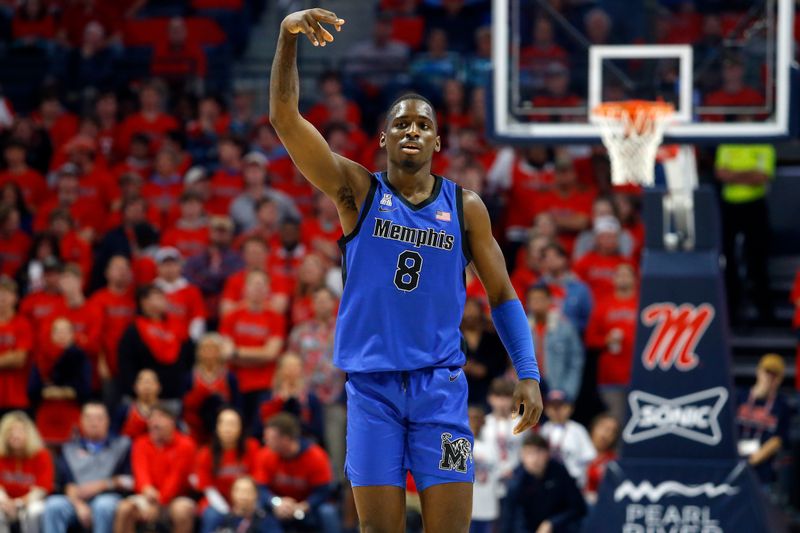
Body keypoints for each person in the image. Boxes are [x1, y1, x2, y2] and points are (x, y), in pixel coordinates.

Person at [270, 10, 542, 531]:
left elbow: (503, 294)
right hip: (371, 389)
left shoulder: (466, 208)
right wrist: (287, 36)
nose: (412, 130)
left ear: (438, 142)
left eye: (423, 125)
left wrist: (527, 372)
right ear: (384, 140)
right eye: (401, 124)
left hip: (441, 389)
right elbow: (285, 118)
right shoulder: (357, 191)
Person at [41, 403, 132, 533]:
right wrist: (78, 505)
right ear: (81, 421)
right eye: (89, 418)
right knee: (53, 505)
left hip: (108, 498)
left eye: (99, 418)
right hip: (76, 501)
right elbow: (67, 483)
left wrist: (105, 484)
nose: (94, 423)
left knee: (103, 505)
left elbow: (130, 481)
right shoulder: (69, 449)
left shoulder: (122, 445)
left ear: (107, 421)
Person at [715, 141, 775, 326]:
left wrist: (734, 175)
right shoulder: (727, 142)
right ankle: (731, 312)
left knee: (758, 259)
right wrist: (748, 174)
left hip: (755, 206)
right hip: (730, 207)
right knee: (728, 260)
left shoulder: (765, 143)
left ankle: (765, 312)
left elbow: (762, 176)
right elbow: (720, 173)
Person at [114, 404, 196, 533]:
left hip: (175, 498)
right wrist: (147, 490)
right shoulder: (140, 443)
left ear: (172, 421)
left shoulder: (186, 445)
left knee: (182, 511)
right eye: (152, 418)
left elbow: (176, 478)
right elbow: (140, 473)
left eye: (161, 417)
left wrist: (159, 502)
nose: (155, 422)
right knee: (124, 509)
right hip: (148, 496)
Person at [255, 413, 338, 533]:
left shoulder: (316, 456)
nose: (265, 441)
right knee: (258, 508)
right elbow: (260, 488)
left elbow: (324, 491)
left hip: (307, 507)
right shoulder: (265, 454)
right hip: (278, 507)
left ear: (286, 439)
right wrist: (276, 502)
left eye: (270, 438)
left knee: (328, 512)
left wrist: (305, 505)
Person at [117, 284, 191, 402]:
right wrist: (133, 390)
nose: (163, 301)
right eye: (156, 297)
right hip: (141, 398)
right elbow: (126, 364)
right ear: (143, 302)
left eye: (162, 297)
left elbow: (189, 358)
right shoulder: (133, 330)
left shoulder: (178, 327)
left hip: (174, 394)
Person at [501, 434, 586, 533]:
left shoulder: (559, 472)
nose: (535, 459)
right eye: (529, 453)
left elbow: (578, 507)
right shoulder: (516, 482)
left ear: (547, 454)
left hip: (558, 527)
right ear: (522, 456)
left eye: (539, 452)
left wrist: (551, 523)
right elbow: (510, 521)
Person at [585, 263, 638, 422]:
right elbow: (589, 339)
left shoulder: (642, 303)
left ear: (635, 279)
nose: (622, 278)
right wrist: (605, 341)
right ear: (613, 279)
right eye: (619, 275)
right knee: (616, 421)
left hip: (637, 374)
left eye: (626, 275)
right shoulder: (603, 305)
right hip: (610, 377)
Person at [195, 408, 260, 533]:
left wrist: (246, 501)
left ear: (241, 427)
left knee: (263, 515)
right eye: (224, 424)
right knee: (212, 516)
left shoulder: (252, 447)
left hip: (247, 498)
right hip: (217, 500)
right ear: (217, 427)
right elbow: (207, 487)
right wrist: (225, 509)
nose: (228, 429)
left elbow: (256, 480)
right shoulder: (206, 453)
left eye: (232, 424)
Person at [735, 353, 791, 486]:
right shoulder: (739, 397)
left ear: (780, 379)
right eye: (767, 372)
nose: (769, 378)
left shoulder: (782, 405)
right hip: (735, 462)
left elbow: (779, 439)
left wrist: (757, 457)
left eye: (775, 375)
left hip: (762, 471)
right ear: (759, 372)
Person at [526, 285, 584, 402]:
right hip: (529, 389)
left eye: (540, 299)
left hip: (558, 391)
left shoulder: (565, 328)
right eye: (533, 299)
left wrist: (567, 391)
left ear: (549, 301)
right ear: (527, 303)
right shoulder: (522, 329)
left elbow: (575, 362)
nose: (536, 303)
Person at [0, 411, 53, 533]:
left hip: (31, 502)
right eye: (10, 431)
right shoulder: (1, 455)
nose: (15, 435)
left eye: (20, 431)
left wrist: (18, 504)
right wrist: (5, 502)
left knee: (34, 511)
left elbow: (42, 489)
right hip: (5, 503)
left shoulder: (41, 455)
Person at [183, 334, 241, 444]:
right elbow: (185, 406)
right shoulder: (190, 377)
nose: (209, 353)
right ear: (198, 352)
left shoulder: (229, 377)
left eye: (213, 349)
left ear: (220, 352)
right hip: (195, 429)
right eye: (205, 349)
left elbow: (236, 405)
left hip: (222, 428)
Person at [539, 389, 596, 488]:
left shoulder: (578, 430)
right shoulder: (544, 430)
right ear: (546, 409)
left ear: (570, 408)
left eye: (560, 406)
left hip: (573, 481)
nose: (556, 410)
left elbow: (590, 457)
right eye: (552, 406)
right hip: (549, 481)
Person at [0, 277, 34, 417]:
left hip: (15, 398)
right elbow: (13, 357)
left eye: (7, 292)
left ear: (15, 298)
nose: (2, 297)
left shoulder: (22, 324)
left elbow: (19, 359)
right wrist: (8, 356)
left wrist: (13, 357)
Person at [468, 406, 500, 533]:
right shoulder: (458, 444)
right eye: (470, 418)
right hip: (466, 505)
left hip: (488, 505)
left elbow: (498, 473)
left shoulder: (492, 446)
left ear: (484, 421)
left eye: (477, 418)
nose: (473, 422)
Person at [212, 476, 278, 533]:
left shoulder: (266, 521)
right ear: (231, 493)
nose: (243, 496)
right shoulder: (222, 520)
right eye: (239, 491)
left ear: (256, 494)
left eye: (248, 491)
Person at [584, 412, 620, 505]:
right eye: (603, 427)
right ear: (593, 428)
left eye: (612, 431)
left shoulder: (614, 461)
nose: (606, 434)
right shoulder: (577, 450)